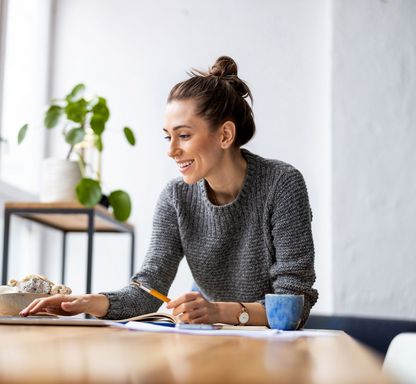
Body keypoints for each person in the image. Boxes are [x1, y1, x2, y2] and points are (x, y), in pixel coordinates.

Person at [20, 56, 318, 326]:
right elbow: (148, 290)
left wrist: (218, 311)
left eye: (184, 136)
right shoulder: (176, 197)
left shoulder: (282, 184)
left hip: (274, 349)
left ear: (225, 135)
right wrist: (90, 302)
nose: (172, 151)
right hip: (210, 339)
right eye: (168, 138)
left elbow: (294, 305)